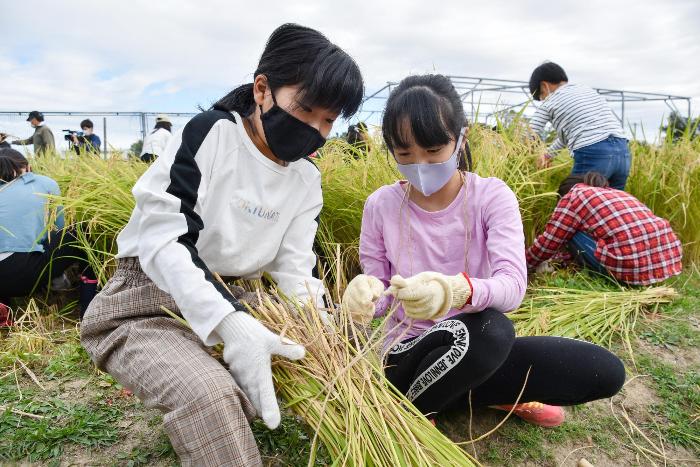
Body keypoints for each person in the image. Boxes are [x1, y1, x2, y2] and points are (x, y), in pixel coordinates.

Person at [80, 23, 363, 466]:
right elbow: (164, 237)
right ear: (262, 89)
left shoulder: (306, 179)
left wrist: (324, 338)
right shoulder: (212, 134)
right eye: (306, 109)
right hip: (150, 303)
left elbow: (294, 270)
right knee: (211, 398)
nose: (315, 129)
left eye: (328, 120)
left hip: (246, 299)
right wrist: (230, 325)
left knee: (349, 346)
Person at [342, 74, 625, 429]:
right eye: (404, 154)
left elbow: (512, 287)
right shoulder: (381, 205)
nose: (420, 165)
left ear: (460, 140)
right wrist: (364, 296)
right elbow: (381, 290)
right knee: (490, 333)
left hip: (478, 343)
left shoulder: (491, 196)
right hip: (408, 352)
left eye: (433, 152)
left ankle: (460, 392)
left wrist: (456, 291)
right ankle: (419, 409)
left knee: (601, 371)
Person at [526, 171, 682, 285]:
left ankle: (620, 278)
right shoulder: (617, 193)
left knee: (568, 231)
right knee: (584, 229)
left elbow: (550, 241)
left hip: (629, 270)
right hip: (660, 267)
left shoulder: (574, 196)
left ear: (562, 195)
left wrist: (524, 264)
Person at [0, 149, 97, 316]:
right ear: (28, 167)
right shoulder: (43, 183)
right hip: (23, 274)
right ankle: (88, 306)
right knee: (81, 230)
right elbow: (57, 230)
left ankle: (4, 305)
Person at [528, 62, 631, 191]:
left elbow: (530, 134)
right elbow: (569, 136)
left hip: (594, 153)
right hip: (623, 152)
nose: (543, 100)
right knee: (612, 205)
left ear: (544, 85)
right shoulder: (586, 91)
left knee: (573, 202)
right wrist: (549, 155)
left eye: (541, 96)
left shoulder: (551, 101)